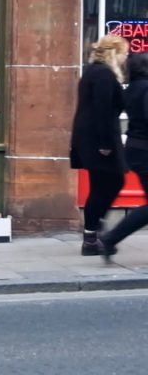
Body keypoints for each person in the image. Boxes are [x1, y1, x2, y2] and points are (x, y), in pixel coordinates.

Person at [70, 35, 129, 256]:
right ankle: (93, 235)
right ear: (114, 53)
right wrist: (105, 144)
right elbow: (103, 110)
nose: (125, 58)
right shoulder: (104, 75)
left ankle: (92, 236)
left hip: (90, 139)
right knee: (112, 183)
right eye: (124, 53)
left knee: (101, 187)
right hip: (100, 140)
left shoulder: (93, 72)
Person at [99, 52, 148, 261]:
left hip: (136, 149)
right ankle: (110, 238)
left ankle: (110, 239)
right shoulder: (146, 88)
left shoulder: (133, 88)